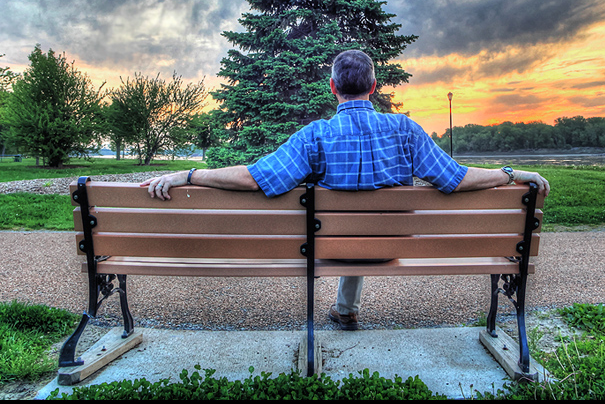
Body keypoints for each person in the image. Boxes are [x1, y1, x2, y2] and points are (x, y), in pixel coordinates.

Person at [141, 49, 551, 330]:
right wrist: (509, 174)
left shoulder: (315, 136)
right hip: (393, 244)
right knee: (368, 227)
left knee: (348, 229)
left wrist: (189, 175)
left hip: (331, 245)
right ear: (373, 87)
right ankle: (346, 309)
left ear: (333, 88)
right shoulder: (405, 130)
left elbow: (255, 178)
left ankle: (343, 310)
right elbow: (456, 178)